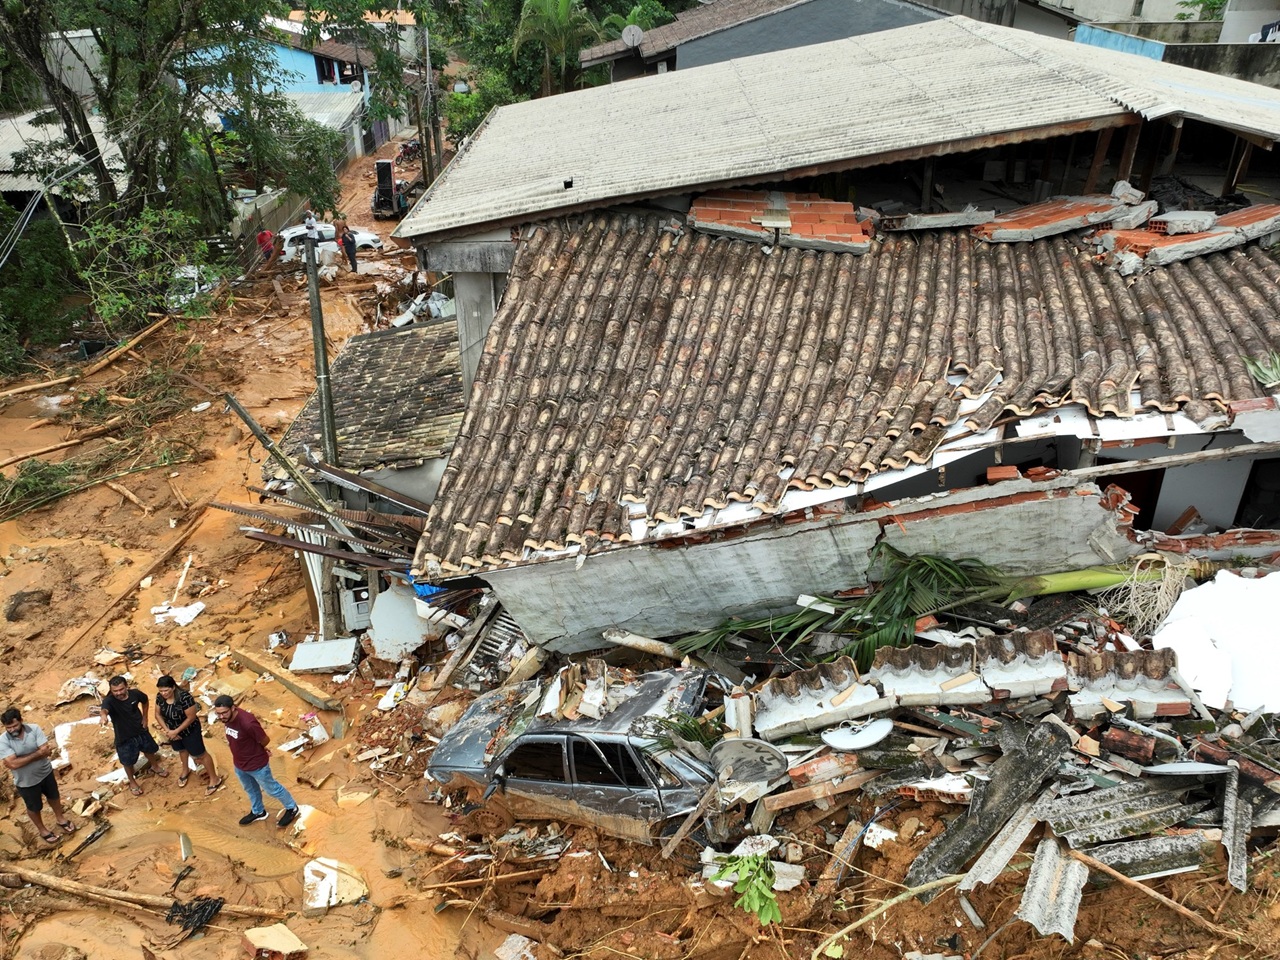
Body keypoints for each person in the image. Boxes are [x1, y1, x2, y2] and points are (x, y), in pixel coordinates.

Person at [213, 695, 299, 827]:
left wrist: (262, 749)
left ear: (233, 708)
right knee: (250, 789)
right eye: (218, 714)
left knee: (272, 789)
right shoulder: (227, 719)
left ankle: (292, 807)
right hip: (240, 763)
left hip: (257, 764)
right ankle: (258, 811)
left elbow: (265, 740)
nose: (221, 716)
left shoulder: (248, 723)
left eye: (224, 713)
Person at [1, 708, 77, 844]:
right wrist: (37, 754)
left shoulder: (34, 729)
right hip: (26, 782)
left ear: (21, 721)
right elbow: (13, 765)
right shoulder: (3, 740)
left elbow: (46, 751)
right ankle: (42, 830)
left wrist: (20, 759)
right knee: (34, 807)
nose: (12, 730)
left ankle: (61, 819)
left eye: (15, 726)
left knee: (54, 796)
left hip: (45, 772)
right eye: (8, 728)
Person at [100, 675, 167, 795]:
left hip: (141, 729)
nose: (118, 693)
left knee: (149, 750)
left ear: (126, 687)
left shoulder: (135, 694)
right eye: (115, 691)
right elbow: (104, 709)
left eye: (121, 689)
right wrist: (103, 716)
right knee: (127, 761)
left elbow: (145, 700)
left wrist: (145, 718)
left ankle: (155, 766)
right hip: (124, 736)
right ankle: (132, 781)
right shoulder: (109, 701)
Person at [155, 676, 222, 795]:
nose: (164, 693)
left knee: (200, 754)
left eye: (166, 690)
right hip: (172, 731)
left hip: (189, 730)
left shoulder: (184, 697)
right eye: (161, 691)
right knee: (182, 750)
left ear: (173, 687)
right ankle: (185, 770)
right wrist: (168, 731)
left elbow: (191, 717)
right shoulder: (160, 697)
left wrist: (176, 731)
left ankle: (214, 779)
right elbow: (157, 714)